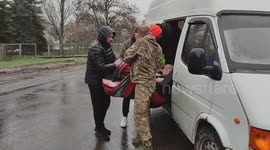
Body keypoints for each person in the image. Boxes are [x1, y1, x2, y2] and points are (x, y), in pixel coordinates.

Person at [124, 25, 164, 150]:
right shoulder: (157, 45)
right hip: (151, 82)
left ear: (140, 34)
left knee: (140, 113)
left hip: (142, 83)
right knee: (145, 110)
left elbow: (127, 55)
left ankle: (146, 144)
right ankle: (141, 137)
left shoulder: (140, 42)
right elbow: (161, 62)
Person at [85, 26, 121, 139]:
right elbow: (100, 67)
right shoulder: (95, 48)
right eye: (109, 37)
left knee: (105, 103)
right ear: (103, 36)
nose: (111, 39)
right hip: (94, 81)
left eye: (112, 37)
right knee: (98, 105)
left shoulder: (107, 45)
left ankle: (100, 125)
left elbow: (112, 57)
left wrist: (117, 61)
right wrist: (115, 65)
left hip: (103, 79)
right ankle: (99, 129)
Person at [119, 27, 139, 128]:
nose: (138, 35)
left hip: (140, 75)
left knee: (140, 98)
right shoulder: (127, 43)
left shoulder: (144, 43)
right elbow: (121, 56)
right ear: (134, 34)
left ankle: (139, 120)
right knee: (126, 96)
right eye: (137, 33)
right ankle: (124, 117)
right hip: (129, 74)